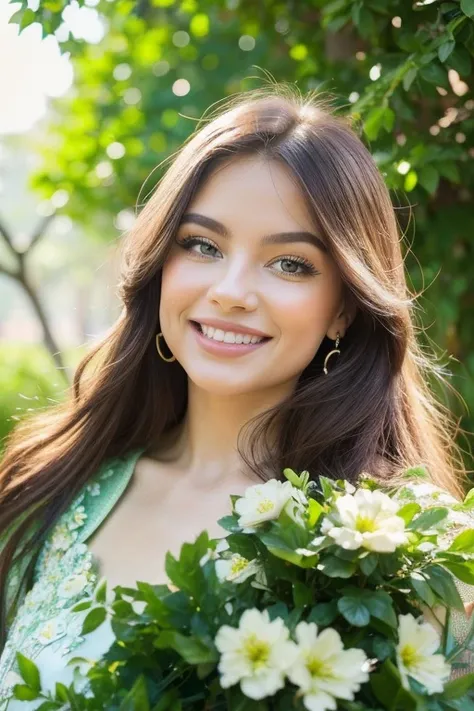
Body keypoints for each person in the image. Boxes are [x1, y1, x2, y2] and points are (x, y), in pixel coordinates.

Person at [0, 85, 472, 707]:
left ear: (343, 310)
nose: (230, 290)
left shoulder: (402, 556)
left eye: (291, 264)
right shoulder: (48, 489)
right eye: (203, 245)